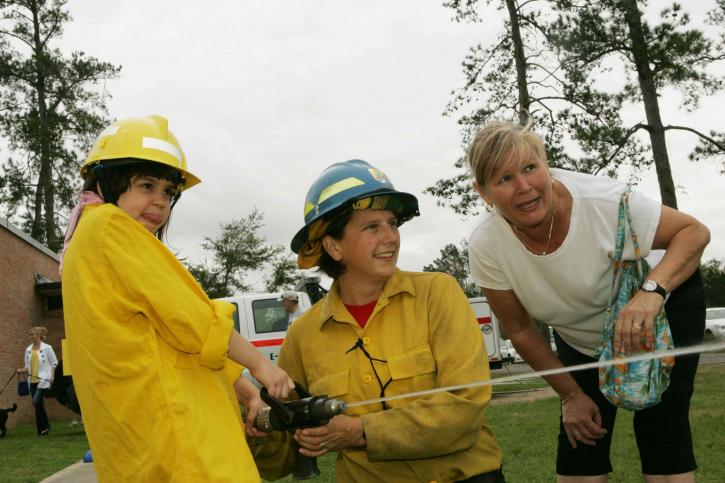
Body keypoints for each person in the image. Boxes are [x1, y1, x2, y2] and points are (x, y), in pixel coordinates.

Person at [465, 121, 710, 481]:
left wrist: (652, 293)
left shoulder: (605, 201)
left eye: (530, 168)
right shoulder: (486, 245)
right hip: (580, 334)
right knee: (581, 435)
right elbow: (518, 329)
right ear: (483, 192)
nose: (524, 186)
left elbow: (694, 232)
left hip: (661, 310)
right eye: (504, 179)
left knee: (660, 427)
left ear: (546, 166)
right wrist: (571, 396)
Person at [61, 115, 293, 482]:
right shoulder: (109, 226)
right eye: (146, 185)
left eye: (169, 192)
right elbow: (196, 323)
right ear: (106, 181)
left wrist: (248, 395)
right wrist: (263, 367)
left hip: (144, 447)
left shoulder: (86, 240)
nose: (160, 201)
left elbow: (175, 341)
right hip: (181, 446)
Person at [251, 159, 504, 483]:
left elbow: (465, 409)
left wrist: (360, 432)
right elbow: (280, 458)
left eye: (392, 223)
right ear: (333, 246)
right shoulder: (303, 336)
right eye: (372, 227)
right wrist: (258, 431)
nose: (391, 237)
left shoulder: (437, 294)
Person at [17, 326, 58, 436]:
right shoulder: (28, 350)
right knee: (38, 404)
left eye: (32, 334)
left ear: (39, 335)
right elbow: (27, 366)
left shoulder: (47, 348)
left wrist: (52, 376)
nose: (30, 336)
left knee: (36, 401)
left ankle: (44, 426)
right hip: (32, 381)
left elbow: (54, 363)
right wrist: (22, 370)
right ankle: (42, 429)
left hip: (44, 380)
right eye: (29, 334)